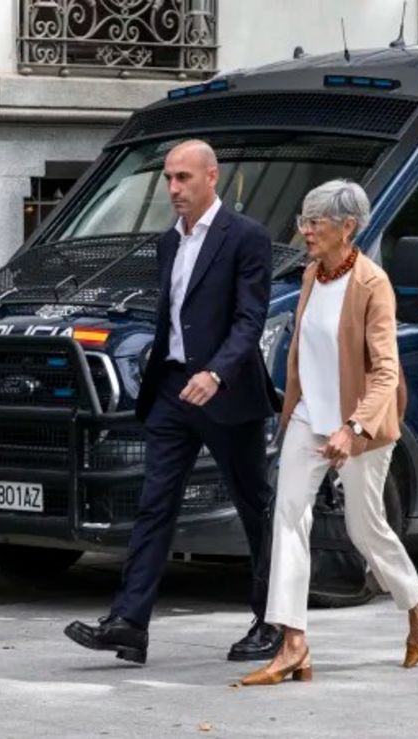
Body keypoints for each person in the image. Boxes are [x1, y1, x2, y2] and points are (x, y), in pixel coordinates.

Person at [65, 139, 283, 665]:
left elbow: (249, 320)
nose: (173, 188)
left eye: (183, 178)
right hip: (170, 392)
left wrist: (215, 372)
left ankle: (273, 620)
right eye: (168, 178)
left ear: (213, 177)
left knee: (255, 506)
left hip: (226, 394)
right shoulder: (168, 243)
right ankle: (129, 624)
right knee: (154, 504)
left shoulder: (246, 238)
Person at [239, 180, 418, 686]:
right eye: (303, 220)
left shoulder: (373, 284)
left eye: (315, 222)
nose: (303, 231)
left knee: (364, 526)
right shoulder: (311, 274)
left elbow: (385, 372)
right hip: (310, 416)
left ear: (347, 227)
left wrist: (353, 427)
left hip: (362, 426)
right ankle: (293, 642)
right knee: (287, 517)